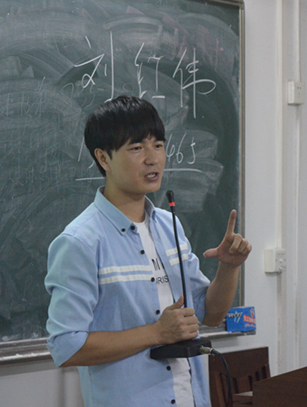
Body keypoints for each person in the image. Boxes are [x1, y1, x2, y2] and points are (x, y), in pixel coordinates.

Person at [45, 95, 251, 407]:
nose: (153, 159)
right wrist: (156, 333)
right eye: (137, 148)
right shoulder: (80, 242)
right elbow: (66, 346)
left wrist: (229, 268)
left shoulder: (170, 226)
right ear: (103, 158)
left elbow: (210, 314)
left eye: (158, 145)